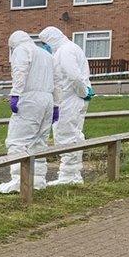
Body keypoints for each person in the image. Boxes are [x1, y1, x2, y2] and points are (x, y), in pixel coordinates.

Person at [0, 31, 61, 194]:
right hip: (47, 99)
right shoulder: (46, 54)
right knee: (39, 141)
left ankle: (20, 181)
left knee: (17, 141)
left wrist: (16, 93)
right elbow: (57, 80)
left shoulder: (22, 50)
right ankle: (38, 180)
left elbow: (20, 73)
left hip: (29, 98)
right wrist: (56, 104)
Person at [39, 26, 95, 186]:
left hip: (70, 99)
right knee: (73, 135)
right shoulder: (68, 49)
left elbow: (74, 76)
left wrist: (83, 92)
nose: (45, 47)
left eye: (45, 43)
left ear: (51, 39)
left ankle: (70, 176)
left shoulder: (65, 51)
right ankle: (71, 174)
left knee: (67, 136)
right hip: (70, 98)